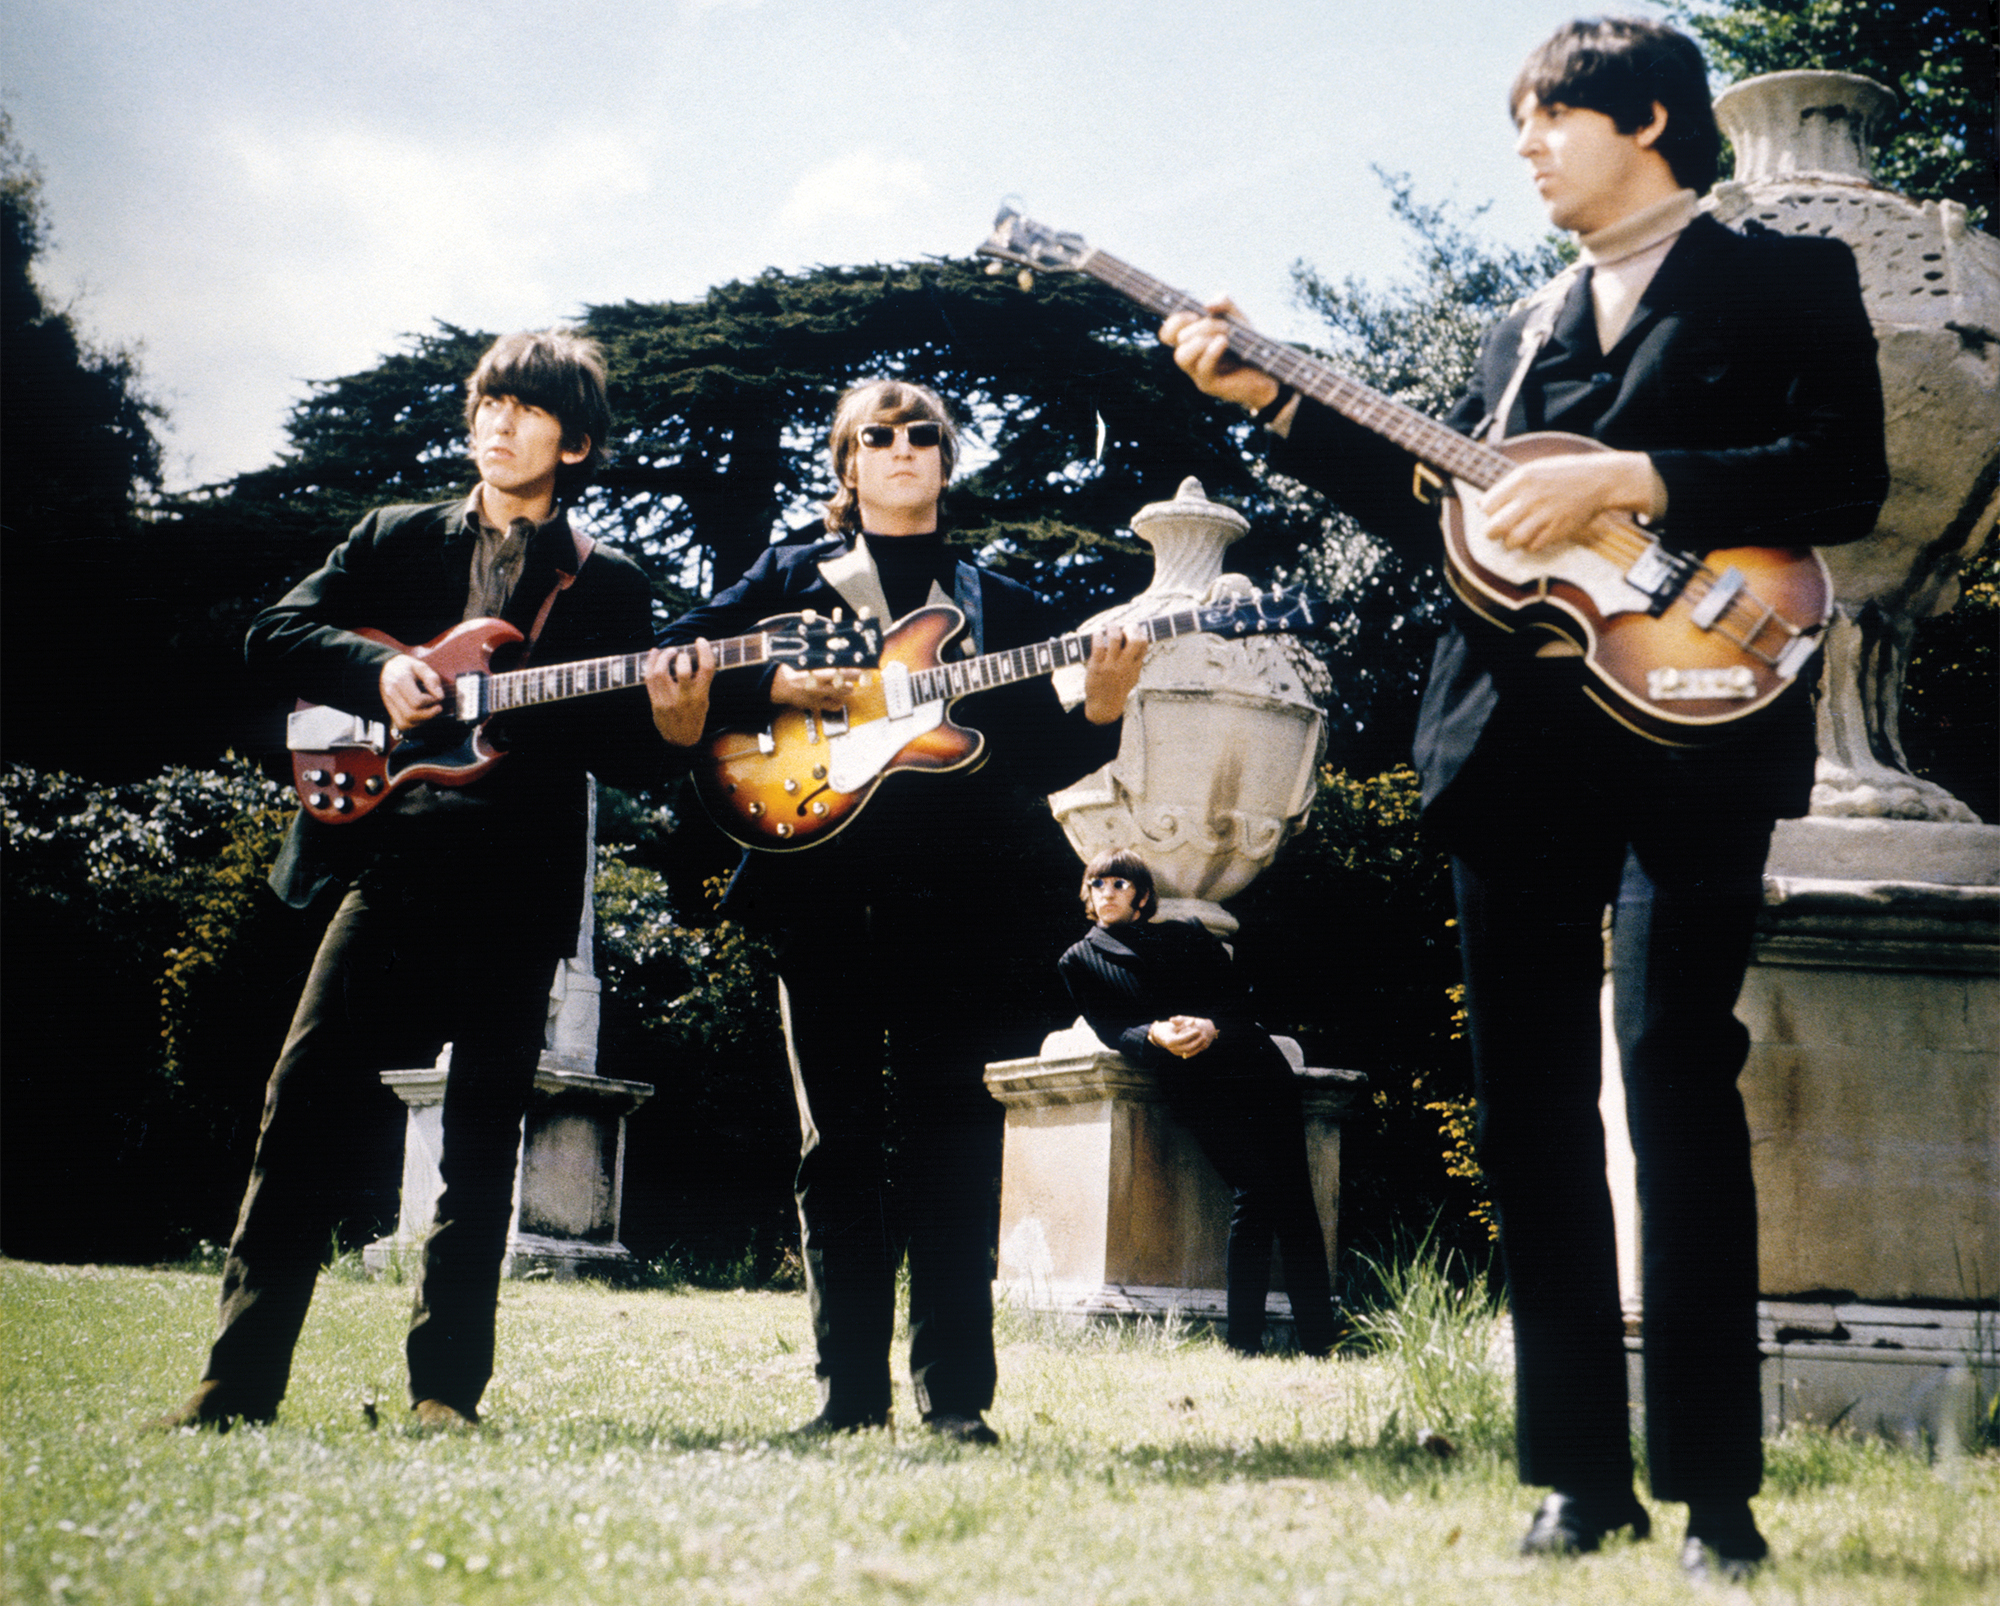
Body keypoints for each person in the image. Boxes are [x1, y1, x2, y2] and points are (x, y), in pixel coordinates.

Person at [1160, 16, 1885, 1583]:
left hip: (1701, 719)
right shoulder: (1516, 328)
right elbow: (1453, 517)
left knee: (1677, 1078)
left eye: (1550, 117)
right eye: (1522, 125)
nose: (1528, 146)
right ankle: (1575, 1478)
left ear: (1649, 119)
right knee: (1530, 1110)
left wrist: (1640, 482)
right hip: (1510, 752)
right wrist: (1272, 402)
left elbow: (1842, 480)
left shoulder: (1783, 280)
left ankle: (1717, 1497)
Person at [156, 329, 681, 1433]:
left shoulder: (610, 584)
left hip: (515, 877)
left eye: (527, 409)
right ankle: (232, 1382)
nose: (498, 422)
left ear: (575, 441)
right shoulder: (395, 538)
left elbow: (633, 759)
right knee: (300, 1104)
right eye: (488, 401)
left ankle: (445, 1393)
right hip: (388, 858)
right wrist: (381, 669)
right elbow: (273, 632)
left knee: (483, 1141)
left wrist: (674, 714)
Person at [648, 379, 1147, 1443]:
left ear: (946, 458)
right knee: (835, 1146)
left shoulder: (995, 598)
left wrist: (1103, 702)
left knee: (953, 1142)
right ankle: (846, 1399)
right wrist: (779, 692)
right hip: (815, 890)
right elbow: (677, 658)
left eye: (922, 434)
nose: (902, 447)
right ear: (846, 464)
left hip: (962, 899)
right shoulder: (787, 574)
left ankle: (956, 1397)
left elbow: (1034, 757)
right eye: (878, 436)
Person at [1057, 849, 1340, 1359]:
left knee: (1295, 1202)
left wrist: (1212, 1025)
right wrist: (1156, 1034)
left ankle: (1323, 1342)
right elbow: (1111, 1028)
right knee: (1253, 1192)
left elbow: (1241, 1000)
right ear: (1088, 895)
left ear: (1142, 896)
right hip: (1195, 1085)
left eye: (1120, 883)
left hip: (1254, 1067)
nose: (1108, 892)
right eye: (1097, 884)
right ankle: (1244, 1343)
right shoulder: (1080, 959)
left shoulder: (1186, 933)